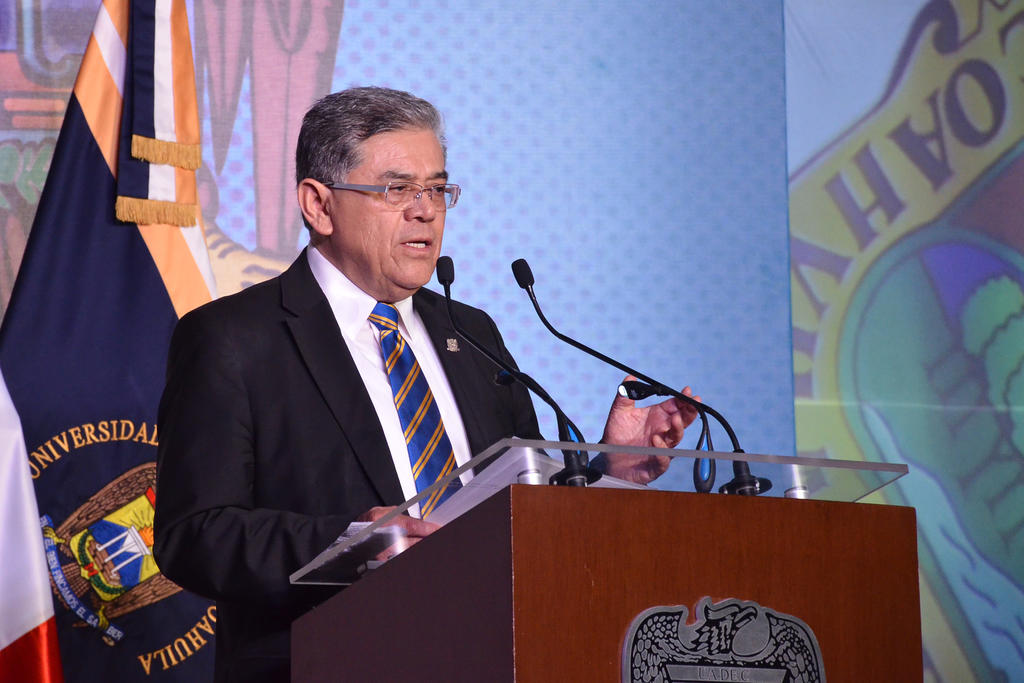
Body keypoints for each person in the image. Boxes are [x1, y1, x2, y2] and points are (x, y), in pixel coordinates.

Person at [153, 86, 697, 683]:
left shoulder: (472, 331)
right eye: (397, 189)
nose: (425, 211)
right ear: (319, 205)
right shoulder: (234, 338)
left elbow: (524, 506)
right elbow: (194, 535)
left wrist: (609, 471)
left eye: (436, 189)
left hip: (497, 656)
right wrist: (351, 542)